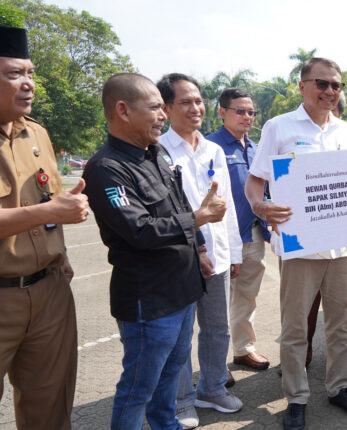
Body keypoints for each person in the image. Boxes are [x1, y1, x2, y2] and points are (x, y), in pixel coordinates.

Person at [82, 72, 226, 429]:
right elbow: (139, 230)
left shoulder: (156, 152)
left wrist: (202, 248)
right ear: (123, 110)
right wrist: (200, 218)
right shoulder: (106, 170)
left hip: (182, 288)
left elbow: (178, 203)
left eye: (164, 108)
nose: (163, 115)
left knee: (171, 377)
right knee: (138, 389)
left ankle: (167, 425)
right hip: (150, 300)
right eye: (155, 108)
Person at [245, 57, 347, 430]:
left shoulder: (344, 131)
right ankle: (297, 396)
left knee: (340, 325)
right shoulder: (279, 127)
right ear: (302, 86)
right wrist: (260, 206)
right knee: (296, 328)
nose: (330, 91)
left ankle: (339, 387)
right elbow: (255, 182)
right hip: (299, 247)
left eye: (336, 85)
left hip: (341, 247)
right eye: (322, 83)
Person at [0, 24, 89, 430]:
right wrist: (49, 211)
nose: (28, 84)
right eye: (13, 74)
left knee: (50, 411)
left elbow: (47, 200)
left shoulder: (37, 133)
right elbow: (45, 209)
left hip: (49, 290)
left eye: (30, 73)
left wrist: (64, 254)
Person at [156, 73, 243, 428]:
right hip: (180, 258)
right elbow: (165, 209)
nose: (196, 108)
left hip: (219, 256)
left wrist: (234, 251)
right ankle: (180, 400)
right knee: (179, 334)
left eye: (198, 101)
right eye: (186, 102)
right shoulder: (158, 151)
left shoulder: (213, 149)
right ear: (165, 108)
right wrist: (198, 247)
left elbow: (228, 205)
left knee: (217, 328)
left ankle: (212, 387)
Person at [206, 88, 272, 374]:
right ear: (222, 112)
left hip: (253, 233)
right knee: (216, 303)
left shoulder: (257, 149)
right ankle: (215, 366)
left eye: (251, 112)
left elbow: (267, 188)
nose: (247, 117)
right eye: (240, 111)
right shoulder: (210, 148)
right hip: (220, 237)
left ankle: (243, 350)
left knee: (246, 295)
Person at [305, 92, 347, 373]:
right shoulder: (288, 132)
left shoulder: (346, 136)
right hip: (307, 237)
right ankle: (301, 353)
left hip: (346, 234)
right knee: (305, 299)